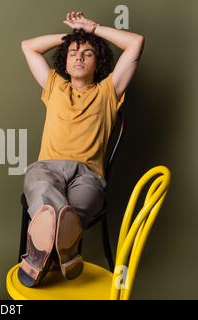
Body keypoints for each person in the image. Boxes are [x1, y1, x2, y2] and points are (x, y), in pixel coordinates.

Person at [18, 11, 145, 287]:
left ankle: (41, 253)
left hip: (87, 176)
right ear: (65, 59)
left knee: (72, 210)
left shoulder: (108, 91)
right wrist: (73, 36)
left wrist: (92, 29)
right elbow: (28, 46)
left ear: (97, 62)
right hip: (47, 168)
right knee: (42, 190)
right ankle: (64, 248)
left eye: (87, 54)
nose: (79, 57)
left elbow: (136, 43)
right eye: (73, 53)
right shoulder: (55, 86)